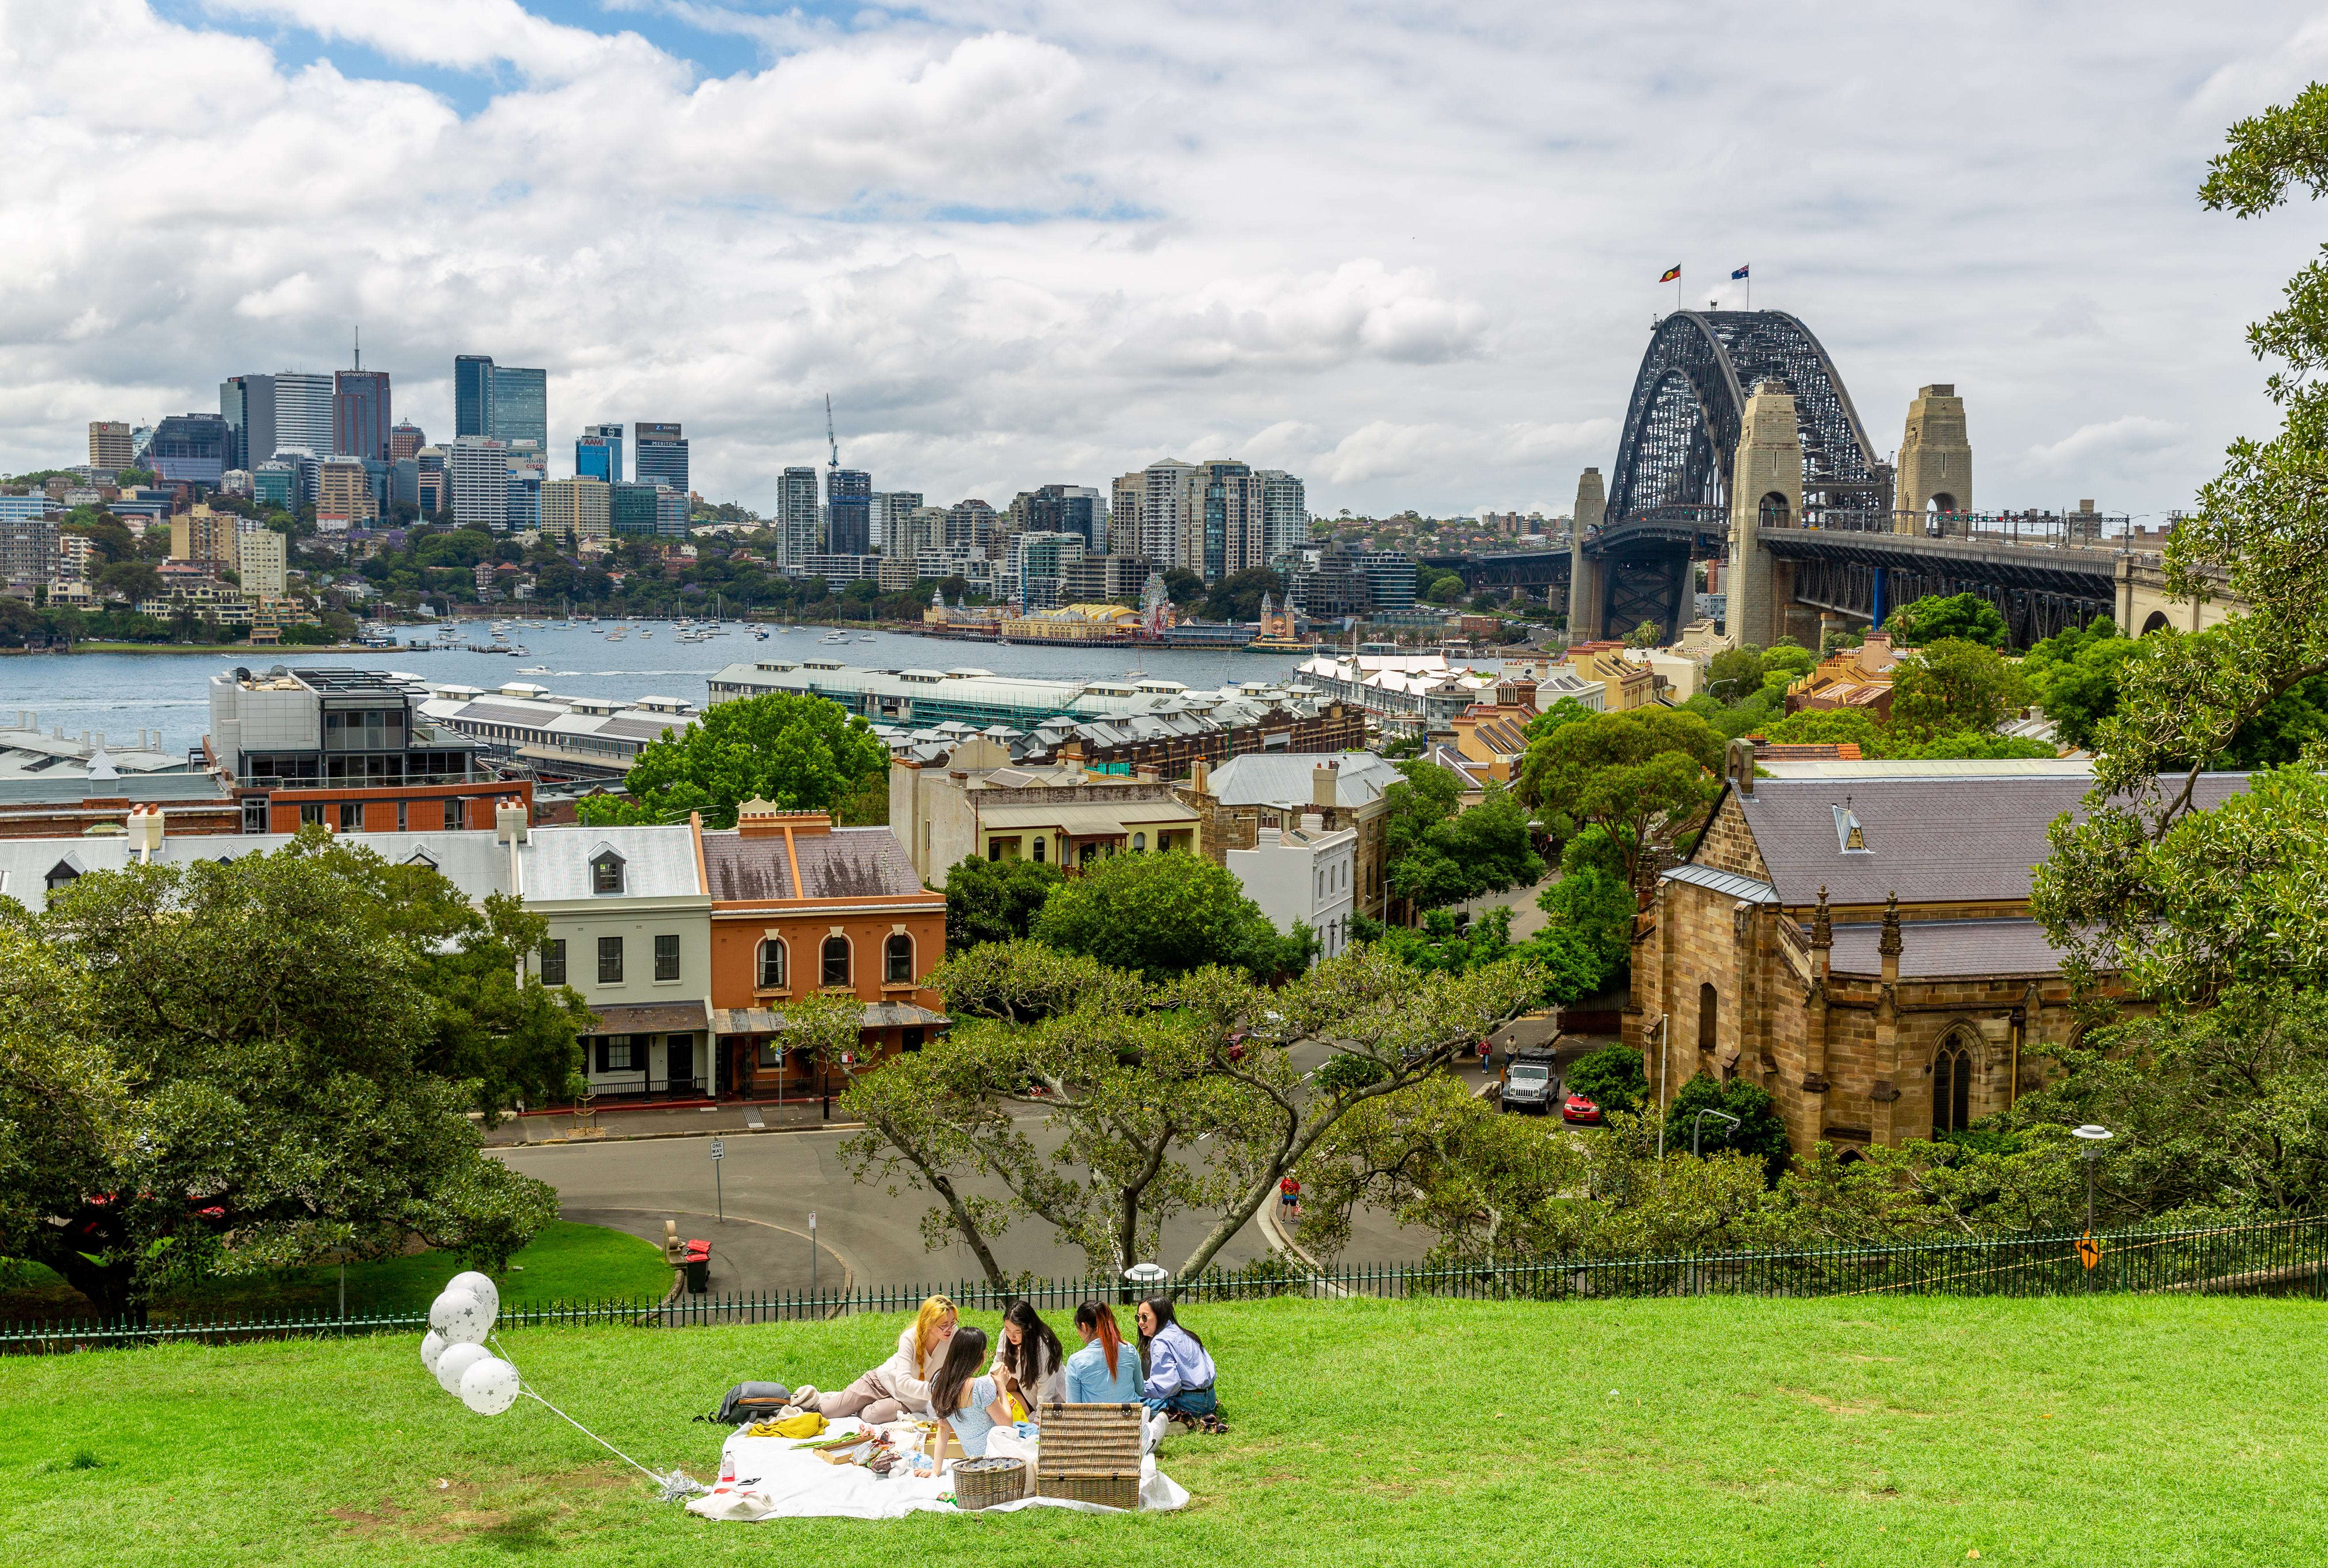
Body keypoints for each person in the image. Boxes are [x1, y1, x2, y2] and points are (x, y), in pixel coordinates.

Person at [803, 1293, 956, 1424]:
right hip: (880, 1382)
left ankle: (857, 1407)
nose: (950, 1328)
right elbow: (902, 1383)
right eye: (944, 1325)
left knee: (874, 1415)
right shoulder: (910, 1338)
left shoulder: (953, 1336)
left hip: (910, 1400)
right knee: (826, 1412)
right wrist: (937, 1390)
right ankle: (835, 1399)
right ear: (928, 1323)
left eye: (953, 1323)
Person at [1137, 1296, 1225, 1434]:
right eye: (1138, 1318)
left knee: (1136, 1404)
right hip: (1210, 1399)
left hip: (1188, 1403)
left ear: (1160, 1316)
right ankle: (1186, 1418)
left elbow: (1168, 1386)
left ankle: (1179, 1419)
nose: (1141, 1322)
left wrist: (1137, 1387)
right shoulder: (1182, 1332)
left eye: (1145, 1317)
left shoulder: (1160, 1341)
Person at [930, 1325, 1014, 1463]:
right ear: (979, 1356)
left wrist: (936, 1469)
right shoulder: (981, 1386)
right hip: (998, 1460)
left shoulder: (940, 1382)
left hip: (974, 1462)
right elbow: (1007, 1425)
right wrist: (1001, 1385)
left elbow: (943, 1426)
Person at [990, 1298, 1066, 1412]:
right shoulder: (1005, 1336)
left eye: (1018, 1332)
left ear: (1028, 1329)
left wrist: (1039, 1419)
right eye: (1007, 1329)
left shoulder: (1043, 1345)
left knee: (1002, 1407)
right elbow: (997, 1367)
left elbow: (1046, 1391)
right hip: (1023, 1386)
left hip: (1045, 1396)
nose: (1012, 1336)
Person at [1063, 1300, 1141, 1404]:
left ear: (1084, 1327)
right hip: (1131, 1419)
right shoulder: (1130, 1350)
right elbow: (1140, 1390)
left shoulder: (1076, 1362)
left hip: (1095, 1420)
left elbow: (1074, 1407)